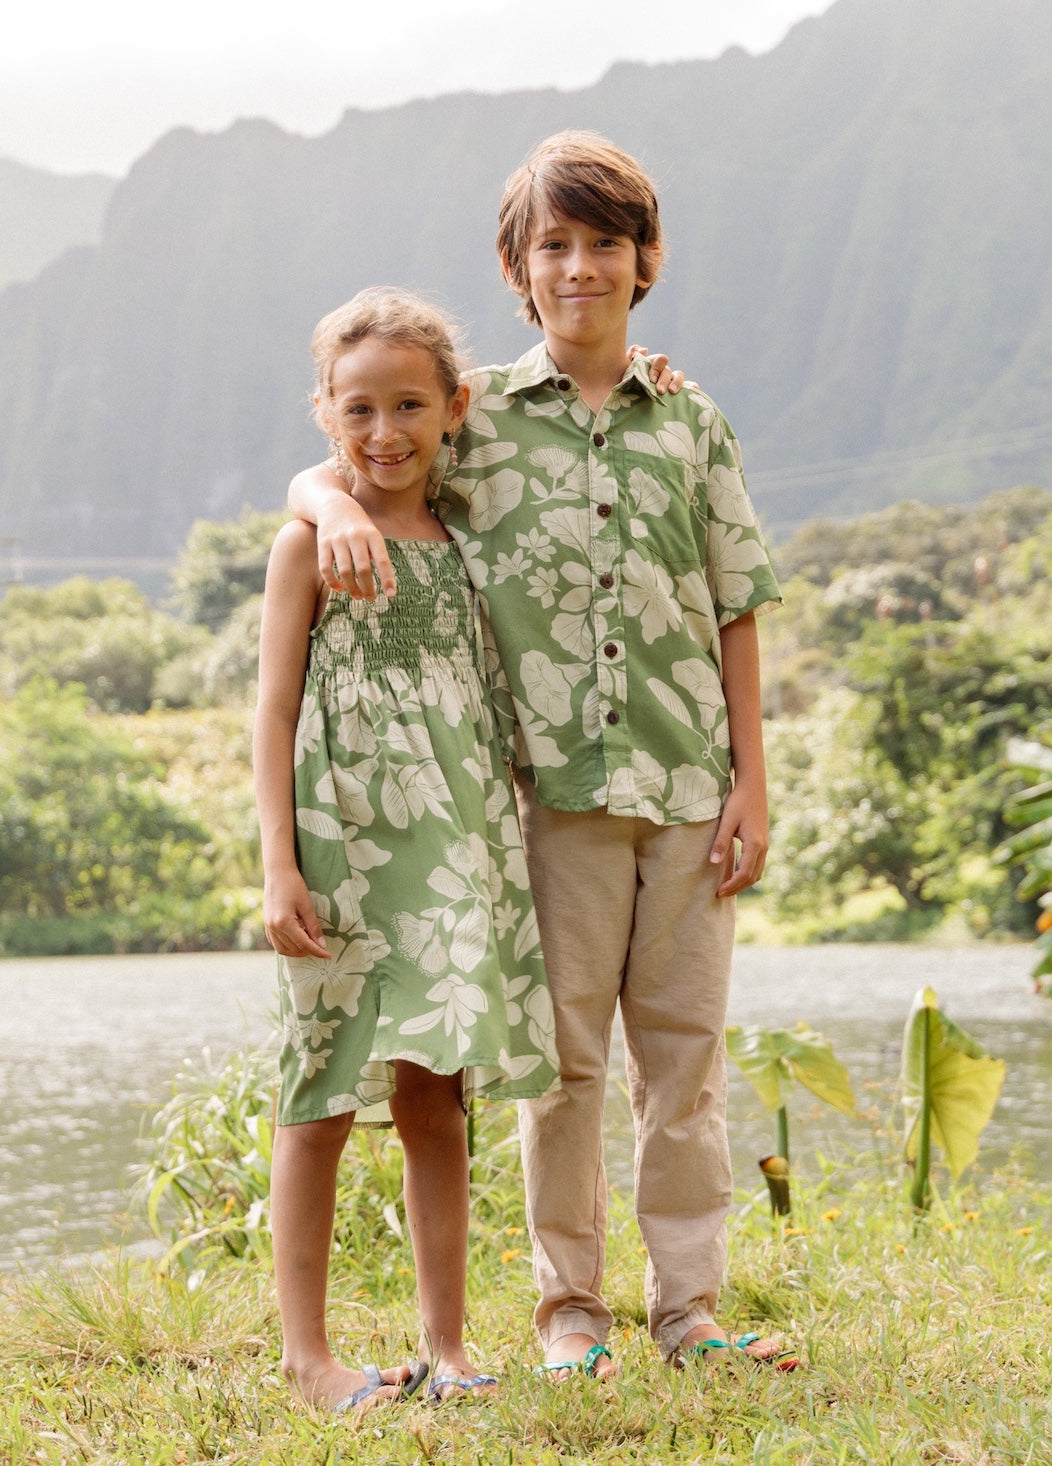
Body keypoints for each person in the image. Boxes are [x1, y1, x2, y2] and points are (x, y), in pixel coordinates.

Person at [287, 131, 790, 1378]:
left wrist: (752, 780)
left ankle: (692, 1310)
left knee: (684, 1063)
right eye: (553, 247)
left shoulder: (691, 422)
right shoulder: (476, 419)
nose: (579, 268)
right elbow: (356, 449)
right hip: (545, 793)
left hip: (685, 783)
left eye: (603, 244)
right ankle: (571, 1307)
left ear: (644, 261)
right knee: (560, 1067)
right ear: (519, 269)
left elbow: (736, 601)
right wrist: (334, 502)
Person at [254, 287, 559, 1413]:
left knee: (439, 1090)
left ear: (452, 409)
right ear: (326, 416)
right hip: (341, 845)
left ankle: (445, 1338)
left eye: (409, 407)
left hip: (452, 846)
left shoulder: (467, 534)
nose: (384, 432)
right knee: (321, 1085)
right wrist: (279, 862)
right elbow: (272, 713)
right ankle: (310, 1355)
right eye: (359, 410)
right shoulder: (308, 540)